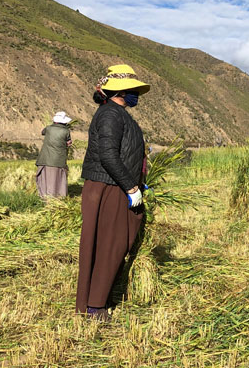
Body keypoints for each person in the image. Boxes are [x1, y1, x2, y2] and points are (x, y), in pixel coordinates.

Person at [76, 64, 150, 321]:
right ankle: (95, 306)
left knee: (111, 242)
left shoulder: (118, 113)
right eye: (133, 90)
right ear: (122, 91)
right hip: (108, 186)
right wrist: (130, 187)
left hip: (115, 184)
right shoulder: (110, 115)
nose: (136, 95)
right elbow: (108, 154)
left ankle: (95, 300)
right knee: (109, 244)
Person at [36, 111, 73, 200]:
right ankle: (58, 197)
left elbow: (43, 132)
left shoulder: (48, 128)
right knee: (57, 179)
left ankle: (45, 197)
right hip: (58, 160)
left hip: (45, 159)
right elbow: (68, 142)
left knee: (46, 179)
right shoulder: (66, 131)